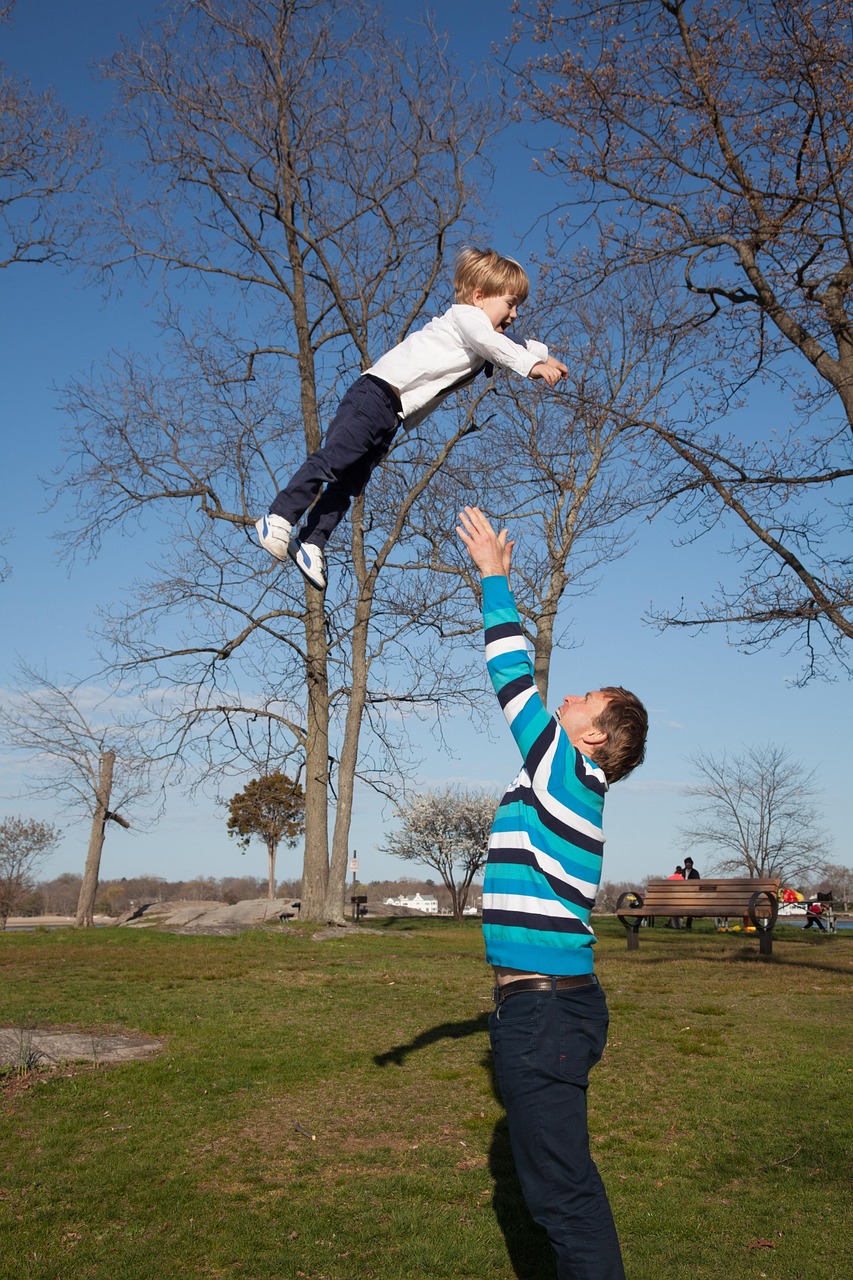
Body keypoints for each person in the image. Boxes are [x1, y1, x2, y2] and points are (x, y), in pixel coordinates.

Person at [456, 506, 648, 1280]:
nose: (562, 701)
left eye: (579, 703)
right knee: (555, 1189)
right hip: (540, 1007)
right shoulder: (558, 780)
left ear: (593, 736)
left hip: (543, 1011)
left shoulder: (568, 770)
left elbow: (510, 677)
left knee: (560, 1196)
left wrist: (494, 581)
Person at [255, 248, 568, 589]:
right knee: (334, 460)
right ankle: (279, 516)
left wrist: (545, 355)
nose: (515, 313)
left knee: (350, 482)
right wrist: (531, 366)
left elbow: (513, 341)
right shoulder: (467, 319)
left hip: (392, 413)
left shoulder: (488, 331)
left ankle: (312, 540)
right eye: (510, 303)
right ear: (479, 297)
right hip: (375, 395)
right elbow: (493, 342)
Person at [682, 856, 700, 930]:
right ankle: (674, 924)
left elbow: (698, 883)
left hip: (691, 894)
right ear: (685, 864)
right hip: (681, 892)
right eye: (687, 863)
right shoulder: (681, 872)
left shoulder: (695, 872)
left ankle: (688, 925)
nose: (688, 864)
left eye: (689, 863)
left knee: (691, 907)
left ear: (692, 864)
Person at [665, 865, 684, 929]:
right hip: (679, 900)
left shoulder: (670, 878)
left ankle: (671, 924)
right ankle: (678, 925)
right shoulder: (682, 878)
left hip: (669, 901)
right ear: (681, 873)